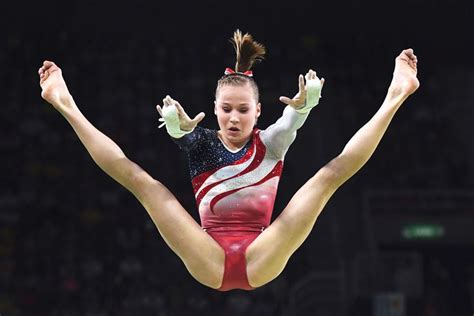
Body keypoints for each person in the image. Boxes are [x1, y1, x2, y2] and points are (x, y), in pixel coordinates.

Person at [38, 30, 419, 291]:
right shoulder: (201, 143)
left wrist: (306, 105)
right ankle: (65, 103)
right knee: (142, 183)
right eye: (226, 110)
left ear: (257, 112)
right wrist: (175, 123)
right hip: (209, 257)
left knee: (328, 177)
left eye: (242, 110)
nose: (234, 118)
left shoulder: (271, 142)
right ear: (215, 110)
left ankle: (395, 95)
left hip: (261, 255)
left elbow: (292, 120)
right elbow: (180, 133)